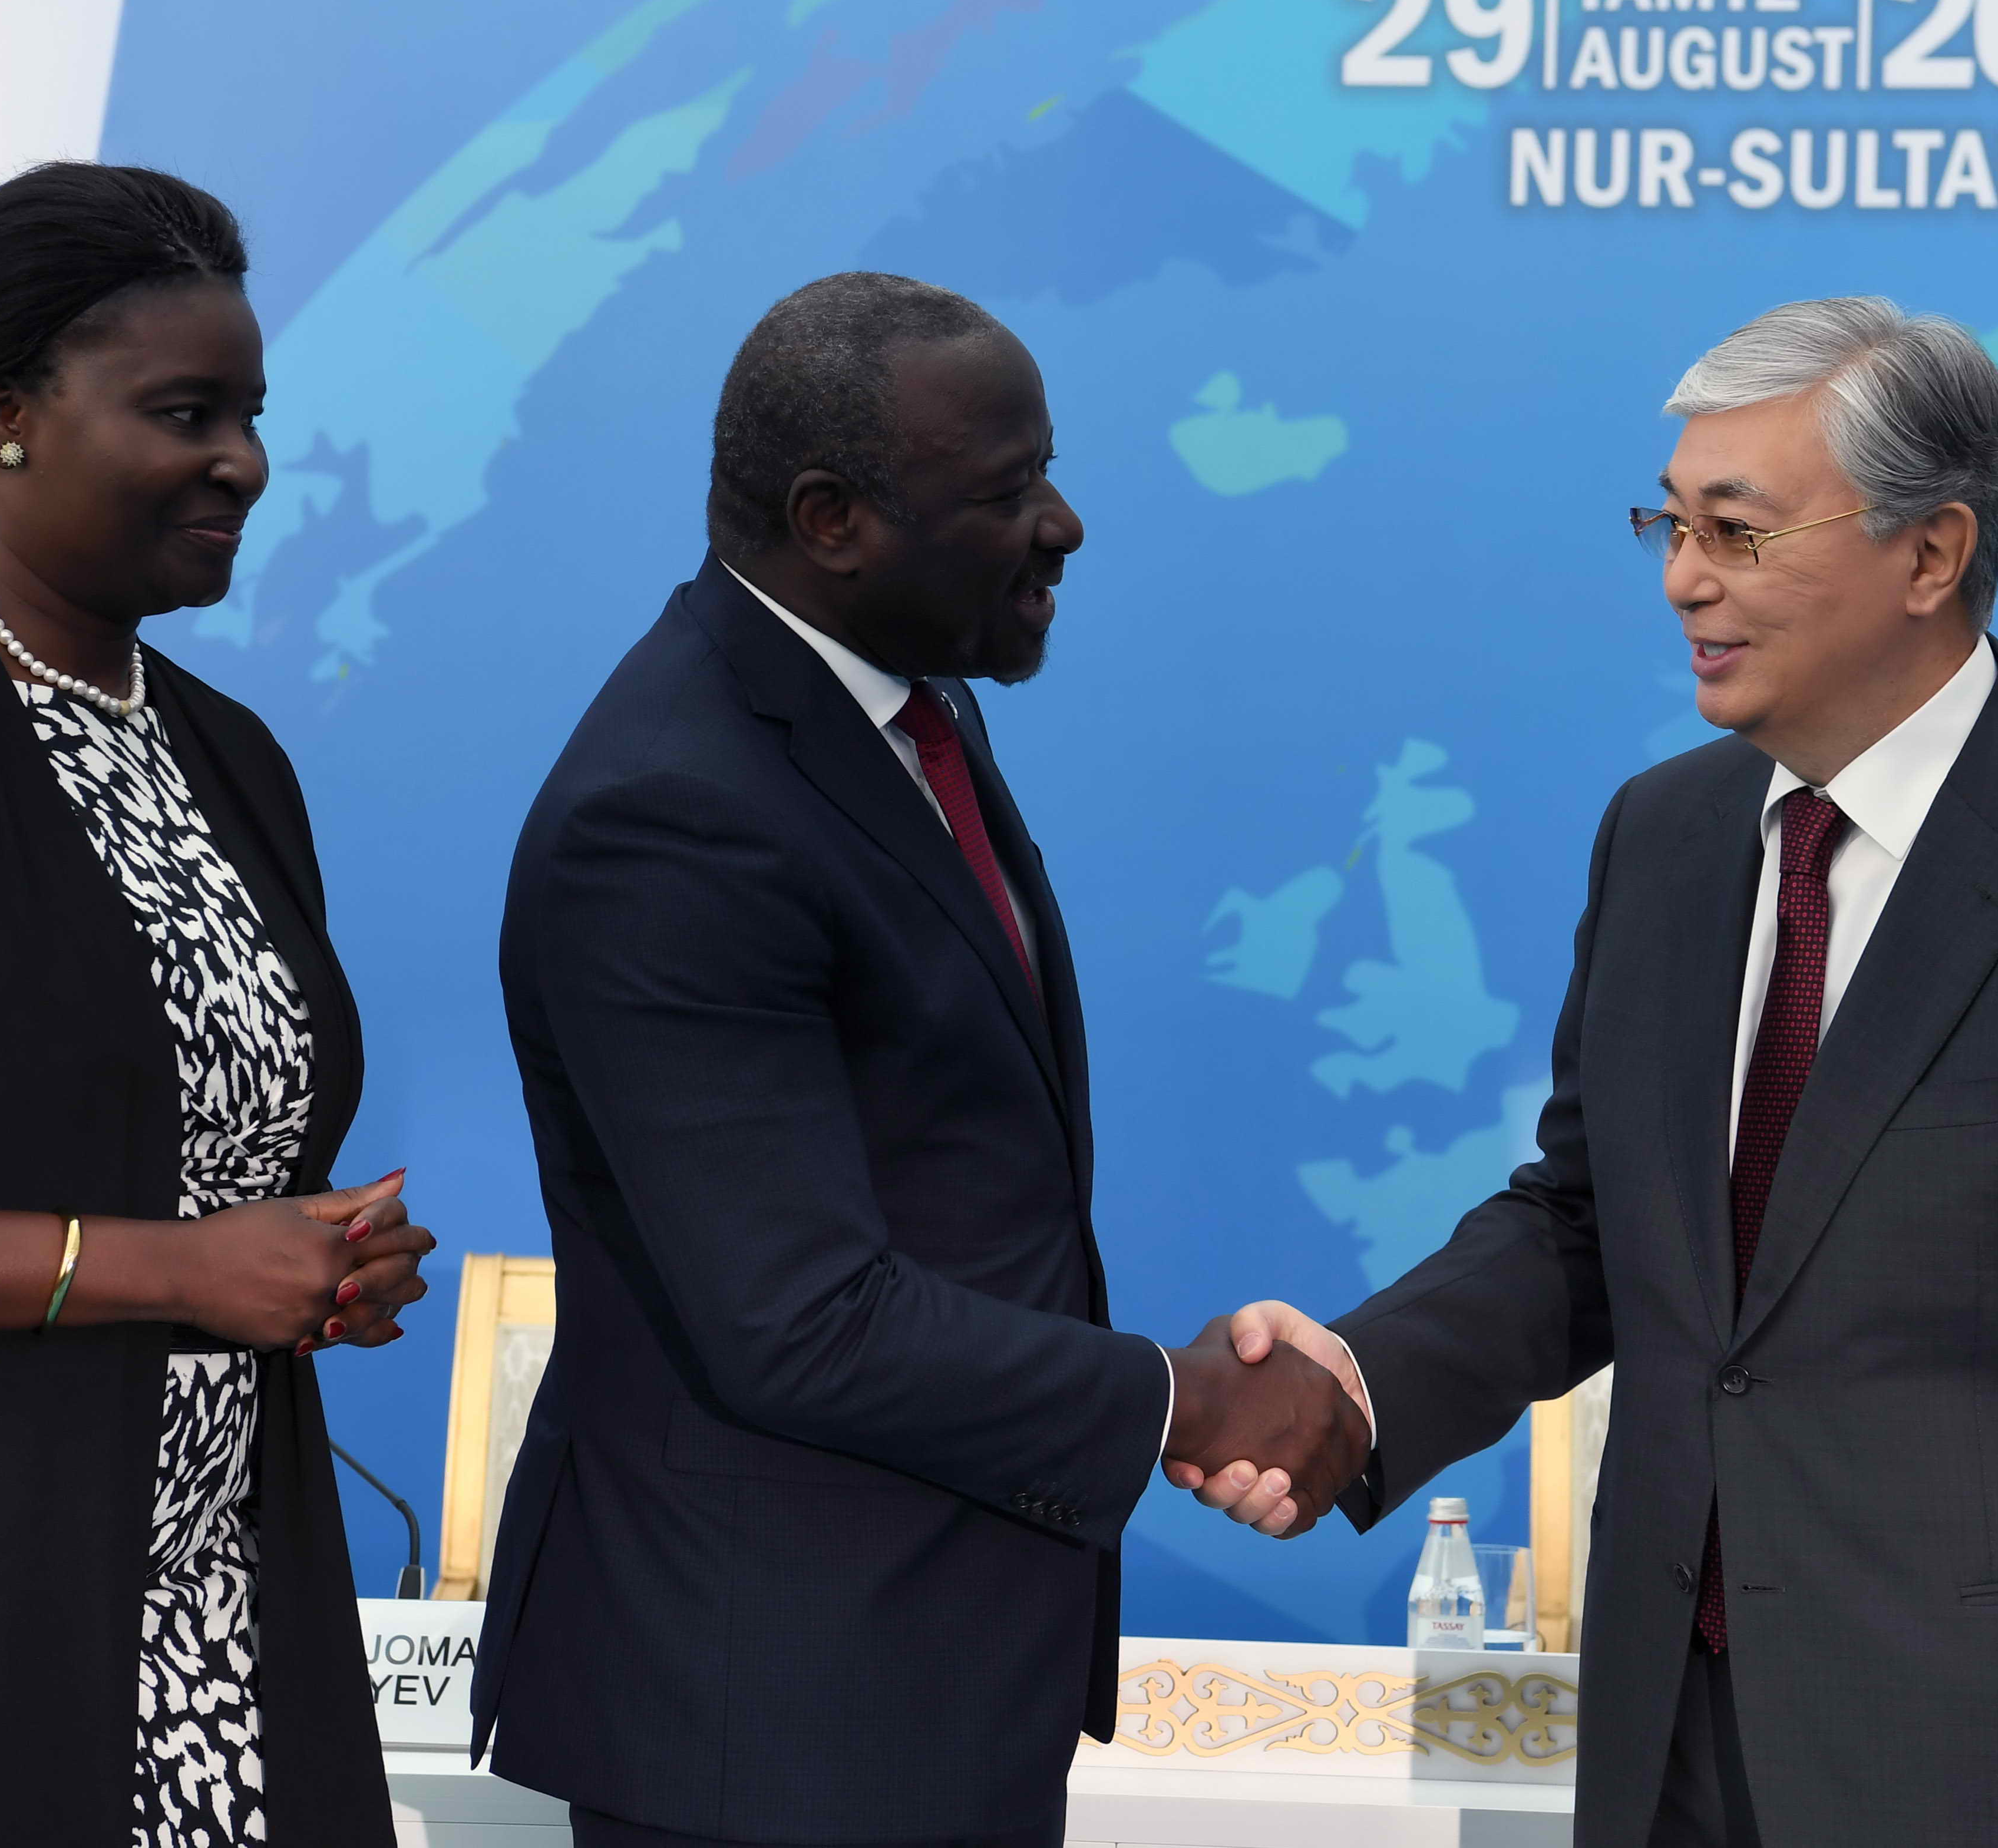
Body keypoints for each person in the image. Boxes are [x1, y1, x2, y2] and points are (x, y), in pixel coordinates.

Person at [1174, 297, 1998, 1848]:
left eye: (1737, 532)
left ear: (1931, 555)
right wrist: (1361, 1380)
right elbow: (1594, 1222)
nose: (1683, 578)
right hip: (1670, 1753)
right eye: (1669, 525)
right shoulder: (1665, 837)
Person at [474, 272, 1368, 1848]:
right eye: (1007, 493)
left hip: (920, 1689)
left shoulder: (902, 712)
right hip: (771, 1728)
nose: (1063, 526)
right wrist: (1174, 1403)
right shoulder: (674, 814)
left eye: (1049, 472)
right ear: (832, 522)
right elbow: (800, 1320)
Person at [0, 163, 438, 1848]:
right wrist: (175, 1267)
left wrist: (314, 1264)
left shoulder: (231, 758)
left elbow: (188, 1158)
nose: (242, 463)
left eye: (252, 418)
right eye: (186, 413)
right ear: (8, 421)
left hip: (226, 1611)